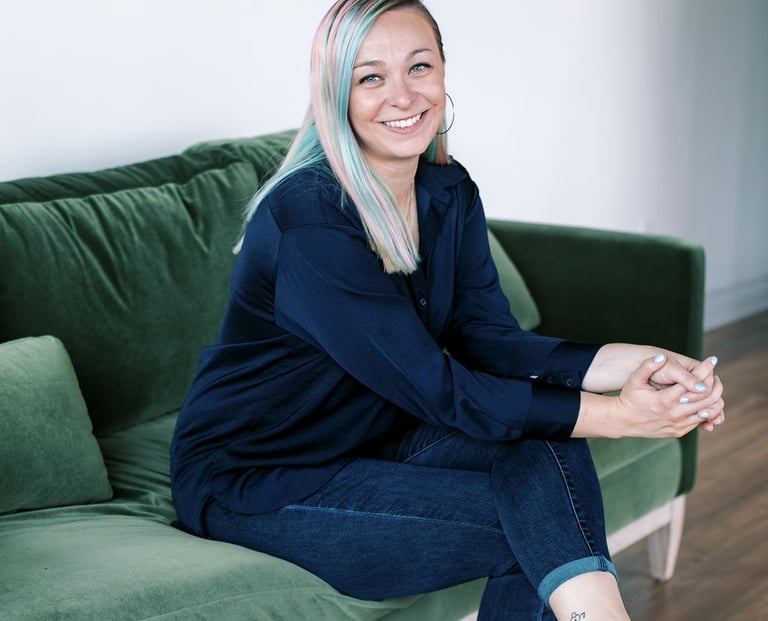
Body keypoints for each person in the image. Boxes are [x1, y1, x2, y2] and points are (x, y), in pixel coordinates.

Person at [170, 1, 725, 619]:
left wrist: (646, 366)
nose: (403, 96)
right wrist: (622, 418)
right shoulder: (311, 219)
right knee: (536, 526)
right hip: (262, 477)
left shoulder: (447, 188)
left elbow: (489, 338)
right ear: (336, 95)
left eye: (419, 67)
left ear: (443, 73)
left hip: (376, 436)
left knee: (544, 454)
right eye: (371, 77)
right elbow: (435, 386)